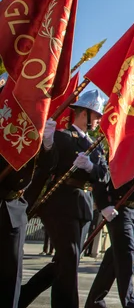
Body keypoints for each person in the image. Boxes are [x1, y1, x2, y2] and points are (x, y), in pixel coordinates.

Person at [19, 90, 110, 308]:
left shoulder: (95, 145)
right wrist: (48, 145)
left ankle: (20, 297)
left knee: (64, 262)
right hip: (60, 204)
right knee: (69, 261)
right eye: (96, 115)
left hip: (82, 206)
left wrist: (90, 167)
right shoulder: (62, 136)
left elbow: (104, 175)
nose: (99, 120)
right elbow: (46, 166)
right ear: (84, 114)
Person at [85, 150, 134, 308]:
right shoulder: (123, 145)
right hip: (120, 209)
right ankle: (131, 304)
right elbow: (102, 175)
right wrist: (103, 205)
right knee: (127, 256)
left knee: (114, 259)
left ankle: (94, 302)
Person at [0, 73, 43, 308]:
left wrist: (48, 145)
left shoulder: (33, 115)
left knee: (11, 272)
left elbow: (41, 169)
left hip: (14, 204)